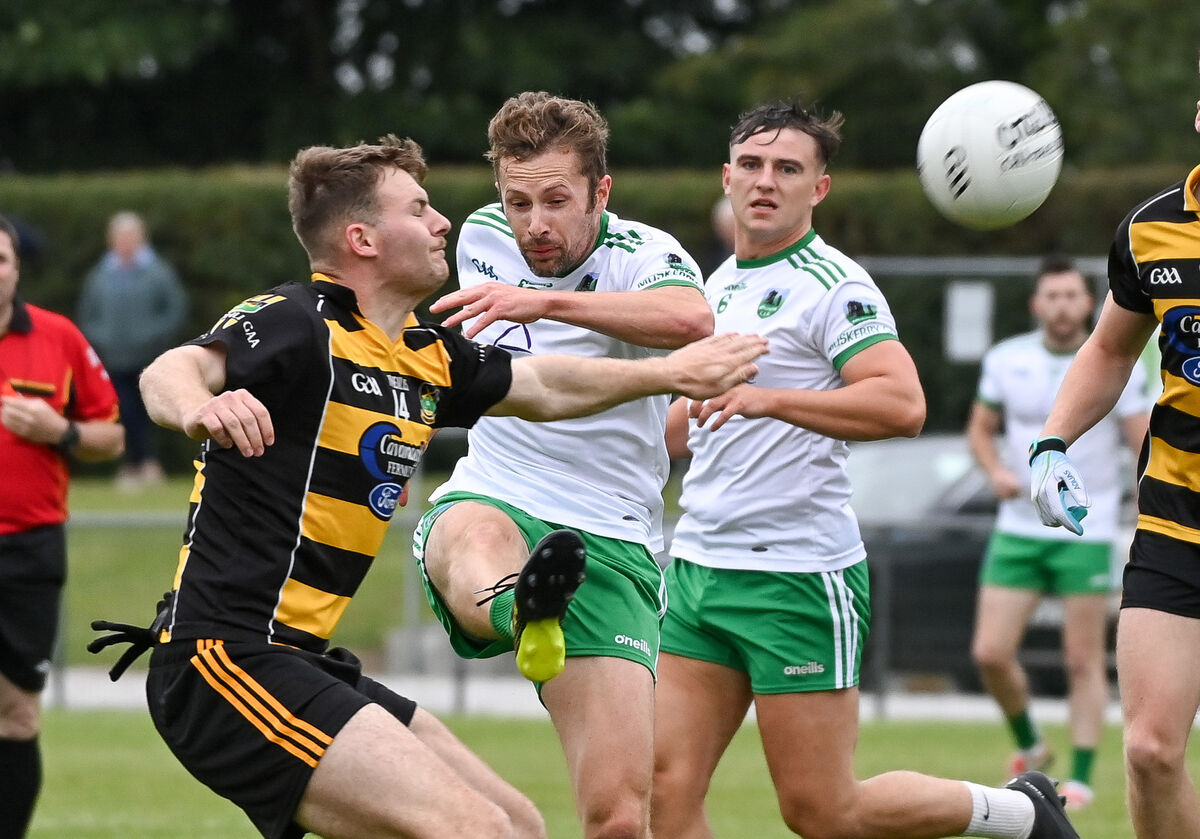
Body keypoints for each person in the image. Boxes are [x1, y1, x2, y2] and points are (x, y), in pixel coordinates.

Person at [87, 134, 764, 839]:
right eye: (419, 208)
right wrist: (200, 405)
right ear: (363, 238)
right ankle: (513, 607)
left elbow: (544, 383)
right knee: (480, 832)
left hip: (299, 659)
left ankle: (518, 609)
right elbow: (169, 369)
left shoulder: (424, 352)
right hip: (225, 658)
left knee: (521, 823)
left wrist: (667, 374)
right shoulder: (297, 321)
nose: (445, 222)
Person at [649, 100, 1082, 839]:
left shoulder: (834, 285)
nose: (765, 181)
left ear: (819, 189)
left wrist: (769, 400)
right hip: (696, 568)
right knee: (662, 790)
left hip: (795, 577)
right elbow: (688, 426)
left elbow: (902, 402)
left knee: (823, 810)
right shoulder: (716, 285)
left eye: (788, 169)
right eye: (751, 165)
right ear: (726, 177)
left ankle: (1018, 811)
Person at [413, 91, 713, 839]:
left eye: (556, 199)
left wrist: (543, 304)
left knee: (617, 819)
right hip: (498, 489)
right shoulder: (481, 233)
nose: (535, 224)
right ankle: (523, 608)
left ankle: (535, 603)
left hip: (611, 538)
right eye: (518, 201)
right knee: (476, 540)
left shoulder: (645, 253)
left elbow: (689, 320)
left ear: (599, 192)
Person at [1031, 57, 1200, 839]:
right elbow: (1108, 350)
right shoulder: (1151, 229)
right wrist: (1051, 442)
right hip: (1175, 519)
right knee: (1151, 749)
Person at [967, 257, 1149, 810]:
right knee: (990, 653)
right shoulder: (1006, 359)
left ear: (1088, 303)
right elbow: (981, 428)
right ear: (1036, 304)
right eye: (1053, 296)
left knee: (1081, 659)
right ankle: (1033, 746)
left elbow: (1139, 440)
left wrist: (1148, 511)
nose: (1063, 305)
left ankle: (1085, 777)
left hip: (1084, 532)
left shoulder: (1119, 363)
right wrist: (996, 471)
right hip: (1018, 529)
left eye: (1072, 295)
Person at [0, 213, 124, 838]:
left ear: (17, 267)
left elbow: (114, 435)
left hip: (28, 550)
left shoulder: (59, 338)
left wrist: (63, 432)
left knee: (17, 715)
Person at [77, 210, 188, 489]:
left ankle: (147, 463)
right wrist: (101, 337)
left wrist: (153, 335)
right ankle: (135, 463)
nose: (124, 242)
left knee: (149, 411)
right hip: (113, 357)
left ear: (140, 238)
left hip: (148, 356)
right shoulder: (101, 274)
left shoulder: (157, 272)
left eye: (130, 236)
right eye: (119, 237)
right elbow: (87, 313)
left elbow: (174, 309)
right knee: (124, 411)